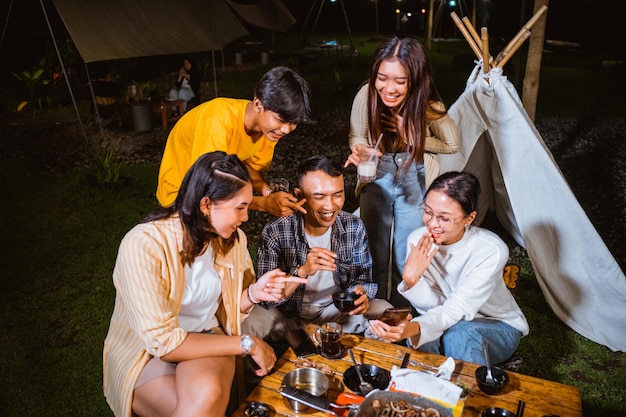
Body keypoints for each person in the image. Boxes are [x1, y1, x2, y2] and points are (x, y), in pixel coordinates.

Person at [103, 152, 307, 417]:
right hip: (145, 352)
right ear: (206, 205)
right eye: (240, 207)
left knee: (206, 398)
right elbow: (163, 343)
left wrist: (255, 293)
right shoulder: (143, 245)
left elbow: (227, 307)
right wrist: (248, 343)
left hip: (206, 338)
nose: (246, 217)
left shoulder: (232, 240)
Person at [344, 36, 460, 309]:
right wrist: (360, 149)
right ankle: (371, 309)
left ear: (416, 80)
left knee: (404, 251)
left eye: (400, 80)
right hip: (377, 174)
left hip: (413, 173)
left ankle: (400, 312)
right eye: (382, 78)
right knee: (373, 249)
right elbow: (356, 134)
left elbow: (452, 144)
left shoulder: (429, 106)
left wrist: (414, 138)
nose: (389, 88)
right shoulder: (366, 95)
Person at [368, 171, 529, 365]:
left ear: (469, 219)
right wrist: (411, 281)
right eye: (428, 211)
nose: (432, 224)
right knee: (425, 344)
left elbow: (457, 309)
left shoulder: (490, 249)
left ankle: (467, 390)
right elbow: (431, 309)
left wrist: (413, 327)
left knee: (459, 334)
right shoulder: (418, 241)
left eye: (445, 218)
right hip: (445, 317)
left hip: (496, 324)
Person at [242, 156, 393, 343]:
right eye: (319, 197)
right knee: (245, 326)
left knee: (386, 312)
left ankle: (370, 364)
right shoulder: (276, 230)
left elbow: (362, 278)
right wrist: (303, 271)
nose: (330, 206)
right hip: (287, 314)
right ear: (299, 196)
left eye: (337, 194)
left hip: (335, 311)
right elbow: (267, 299)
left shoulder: (353, 225)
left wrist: (359, 294)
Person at [156, 66, 313, 217]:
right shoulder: (218, 120)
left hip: (215, 191)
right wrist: (262, 204)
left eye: (293, 123)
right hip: (182, 195)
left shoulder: (270, 130)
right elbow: (209, 189)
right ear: (258, 104)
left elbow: (246, 166)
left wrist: (267, 191)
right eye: (281, 120)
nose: (286, 130)